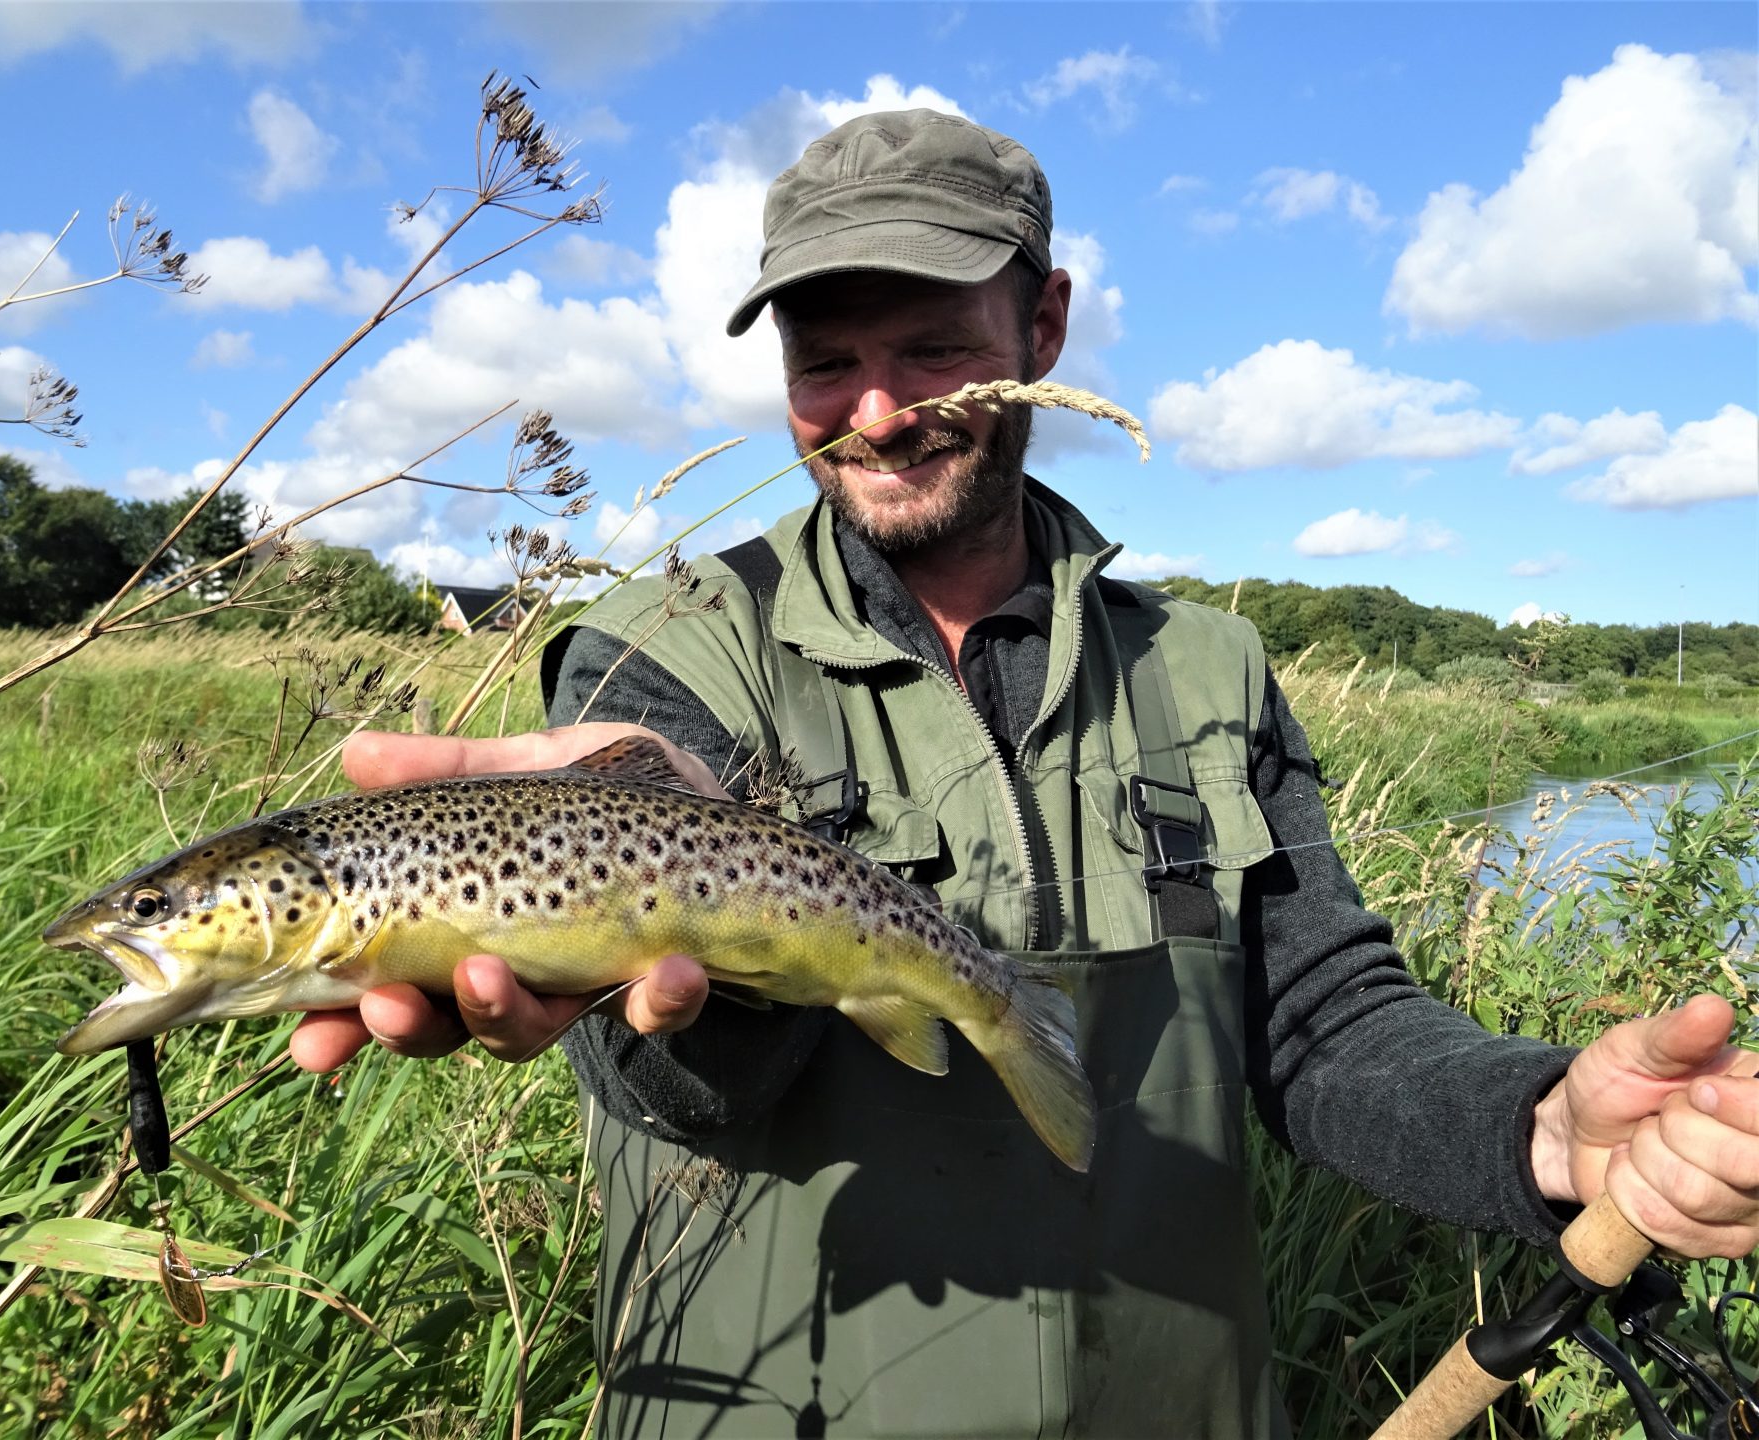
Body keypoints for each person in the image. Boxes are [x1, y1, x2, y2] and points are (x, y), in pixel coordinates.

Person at [291, 111, 1759, 1438]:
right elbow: (670, 1084)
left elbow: (1319, 1025)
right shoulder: (663, 651)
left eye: (931, 347)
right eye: (825, 360)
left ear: (1042, 324)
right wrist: (663, 875)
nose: (875, 411)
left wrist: (1546, 1123)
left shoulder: (1208, 669)